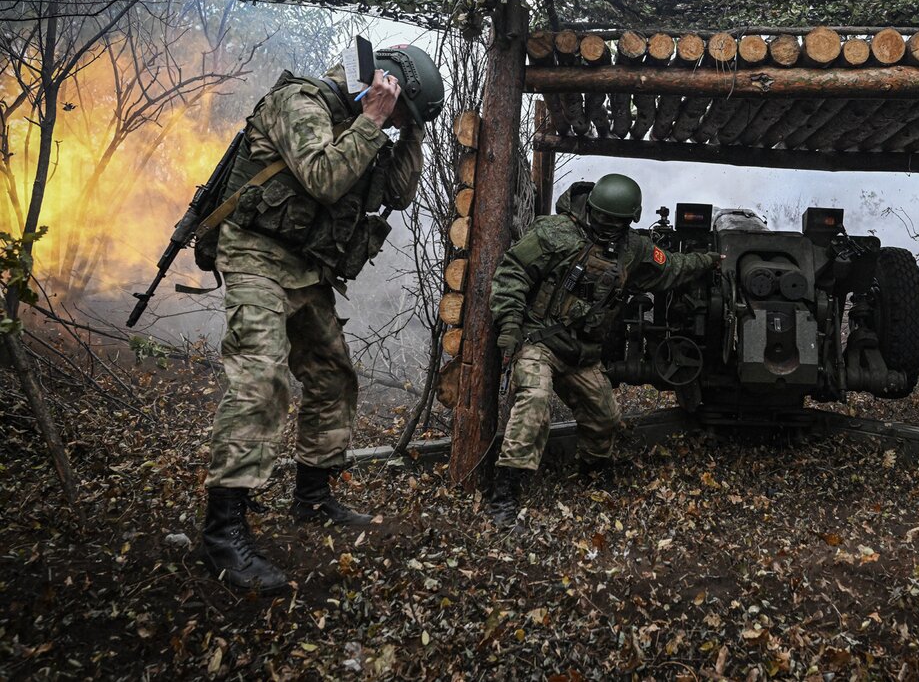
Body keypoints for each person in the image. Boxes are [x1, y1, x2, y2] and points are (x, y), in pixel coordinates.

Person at [200, 45, 444, 592]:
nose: (397, 123)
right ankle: (222, 532)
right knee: (261, 381)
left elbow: (400, 195)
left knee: (332, 374)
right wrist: (378, 119)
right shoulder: (302, 103)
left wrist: (410, 132)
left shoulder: (369, 123)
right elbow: (324, 178)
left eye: (403, 115)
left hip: (305, 267)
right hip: (255, 253)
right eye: (403, 112)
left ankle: (312, 497)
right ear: (382, 84)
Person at [486, 174, 720, 528]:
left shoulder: (634, 249)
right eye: (603, 219)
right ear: (591, 209)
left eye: (617, 222)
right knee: (534, 399)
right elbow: (512, 272)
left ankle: (593, 471)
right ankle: (505, 492)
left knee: (606, 417)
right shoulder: (554, 233)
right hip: (540, 342)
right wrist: (508, 326)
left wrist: (707, 261)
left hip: (582, 353)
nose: (609, 227)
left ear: (630, 220)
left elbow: (670, 268)